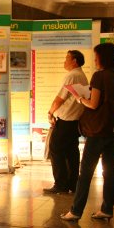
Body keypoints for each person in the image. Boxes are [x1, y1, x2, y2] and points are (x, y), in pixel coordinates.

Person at [60, 43, 114, 221]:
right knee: (109, 169)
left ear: (103, 58)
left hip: (99, 130)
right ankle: (107, 209)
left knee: (86, 172)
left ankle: (76, 211)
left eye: (96, 56)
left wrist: (79, 98)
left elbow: (93, 104)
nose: (95, 60)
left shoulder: (99, 76)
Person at [44, 50, 89, 195]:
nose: (64, 61)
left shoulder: (72, 75)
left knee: (56, 149)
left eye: (67, 58)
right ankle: (72, 183)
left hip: (66, 119)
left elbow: (60, 99)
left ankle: (61, 184)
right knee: (71, 152)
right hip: (74, 120)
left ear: (74, 61)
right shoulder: (81, 75)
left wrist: (50, 112)